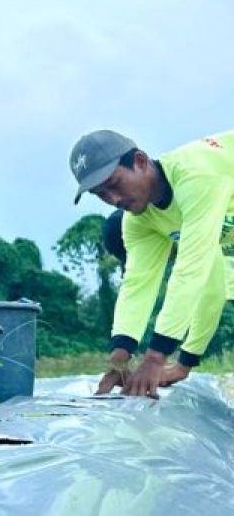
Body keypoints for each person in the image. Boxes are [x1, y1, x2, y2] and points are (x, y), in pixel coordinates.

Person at [71, 129, 234, 398]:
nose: (113, 200)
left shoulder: (196, 176)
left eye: (114, 184)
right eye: (101, 195)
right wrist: (119, 358)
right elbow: (139, 284)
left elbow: (192, 271)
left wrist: (155, 358)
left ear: (140, 161)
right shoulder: (139, 219)